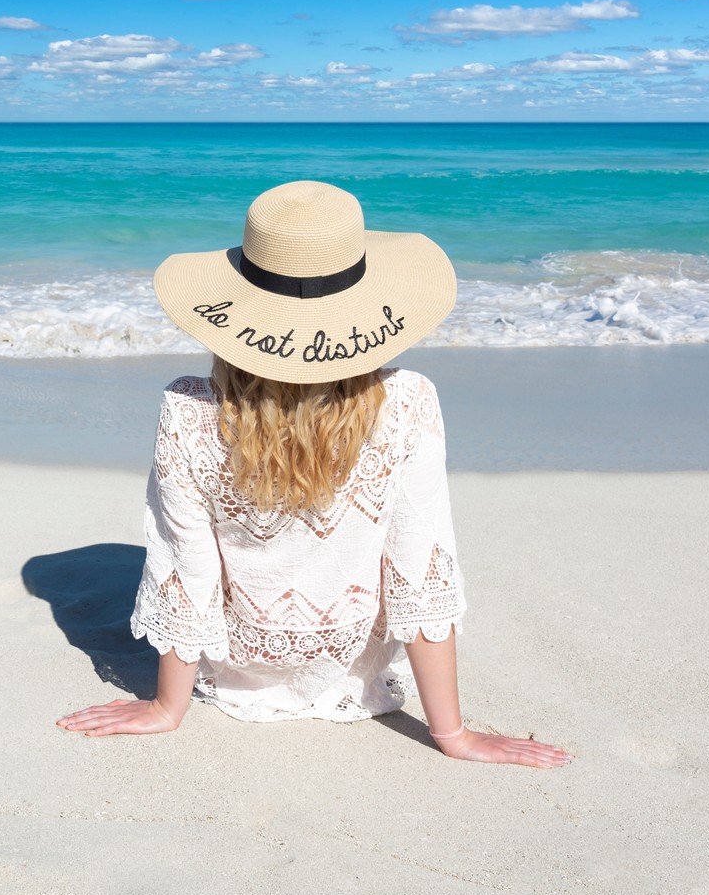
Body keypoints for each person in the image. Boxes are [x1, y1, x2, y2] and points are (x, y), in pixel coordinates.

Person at [57, 180, 572, 768]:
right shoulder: (406, 402)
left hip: (235, 675)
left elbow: (186, 566)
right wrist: (452, 734)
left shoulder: (188, 410)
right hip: (358, 669)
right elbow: (418, 567)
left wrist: (167, 707)